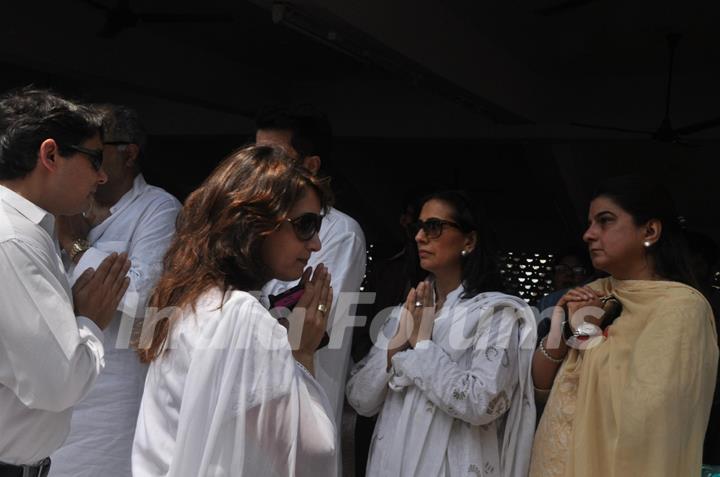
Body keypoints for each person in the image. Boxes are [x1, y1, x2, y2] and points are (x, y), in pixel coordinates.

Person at [132, 145, 337, 477]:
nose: (315, 244)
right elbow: (310, 452)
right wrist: (302, 353)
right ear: (255, 222)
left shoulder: (187, 299)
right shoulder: (242, 317)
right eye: (305, 225)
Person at [530, 176, 718, 477]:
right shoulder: (594, 293)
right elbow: (540, 391)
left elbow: (650, 419)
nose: (588, 235)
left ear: (650, 231)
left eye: (605, 221)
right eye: (589, 223)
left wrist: (590, 333)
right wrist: (562, 326)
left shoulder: (680, 307)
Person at [346, 190, 537, 477]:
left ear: (469, 241)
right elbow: (361, 400)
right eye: (418, 228)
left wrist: (422, 346)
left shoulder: (496, 312)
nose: (420, 237)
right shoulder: (406, 310)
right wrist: (397, 345)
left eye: (433, 227)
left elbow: (483, 402)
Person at [0, 88, 130, 476]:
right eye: (95, 160)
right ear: (50, 155)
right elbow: (59, 382)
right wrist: (88, 321)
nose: (102, 176)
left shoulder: (24, 230)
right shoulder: (13, 239)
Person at [50, 105, 181, 477]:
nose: (88, 165)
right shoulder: (64, 205)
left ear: (129, 152)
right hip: (59, 382)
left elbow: (141, 294)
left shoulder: (158, 208)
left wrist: (76, 245)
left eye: (96, 153)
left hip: (115, 395)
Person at [255, 104, 366, 473]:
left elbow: (302, 320)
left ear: (312, 166)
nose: (261, 167)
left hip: (301, 393)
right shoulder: (254, 222)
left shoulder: (340, 233)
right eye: (257, 155)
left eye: (274, 157)